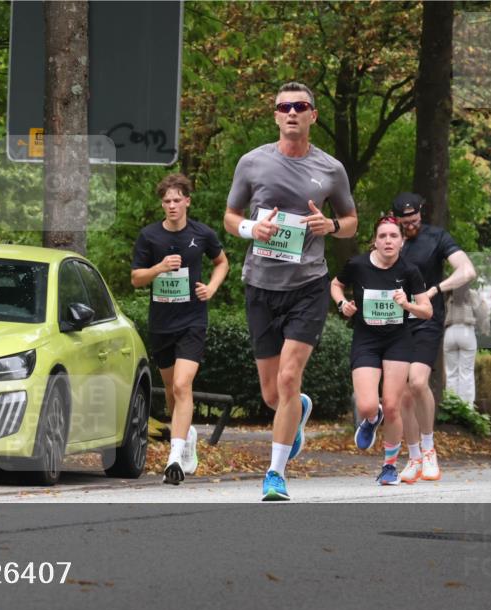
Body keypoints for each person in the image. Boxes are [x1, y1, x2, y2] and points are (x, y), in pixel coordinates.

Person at [224, 81, 358, 501]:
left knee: (287, 377)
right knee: (271, 394)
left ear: (313, 115)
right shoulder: (252, 163)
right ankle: (297, 410)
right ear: (276, 115)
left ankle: (275, 474)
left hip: (308, 285)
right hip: (261, 285)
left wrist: (331, 226)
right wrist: (251, 228)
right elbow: (230, 215)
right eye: (284, 107)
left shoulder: (331, 169)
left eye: (301, 106)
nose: (292, 113)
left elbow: (351, 220)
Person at [131, 173, 229, 484]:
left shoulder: (202, 234)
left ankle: (174, 458)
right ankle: (187, 438)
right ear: (162, 204)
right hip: (162, 323)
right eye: (166, 201)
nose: (172, 205)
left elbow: (222, 262)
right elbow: (136, 279)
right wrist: (159, 268)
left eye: (177, 200)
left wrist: (211, 288)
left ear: (187, 201)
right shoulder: (149, 236)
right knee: (173, 393)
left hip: (192, 320)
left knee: (183, 386)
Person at [331, 216, 432, 485]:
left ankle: (389, 466)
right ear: (374, 240)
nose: (388, 241)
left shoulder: (410, 271)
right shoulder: (357, 265)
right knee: (366, 406)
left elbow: (427, 310)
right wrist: (342, 305)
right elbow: (335, 284)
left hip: (398, 340)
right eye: (383, 236)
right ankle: (371, 419)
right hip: (366, 339)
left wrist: (407, 304)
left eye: (393, 236)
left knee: (392, 405)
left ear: (401, 241)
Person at [390, 192, 477, 483]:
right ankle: (413, 457)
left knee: (417, 382)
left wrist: (436, 289)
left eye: (414, 220)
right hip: (396, 321)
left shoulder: (437, 237)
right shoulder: (390, 240)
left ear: (421, 214)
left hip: (427, 318)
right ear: (397, 220)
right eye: (405, 222)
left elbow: (467, 270)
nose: (410, 226)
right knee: (402, 392)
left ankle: (429, 450)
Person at [444, 286, 490, 405]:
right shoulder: (471, 293)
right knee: (466, 372)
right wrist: (485, 330)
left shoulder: (447, 294)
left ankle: (451, 405)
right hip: (466, 331)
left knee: (451, 373)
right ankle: (466, 407)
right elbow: (482, 312)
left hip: (449, 332)